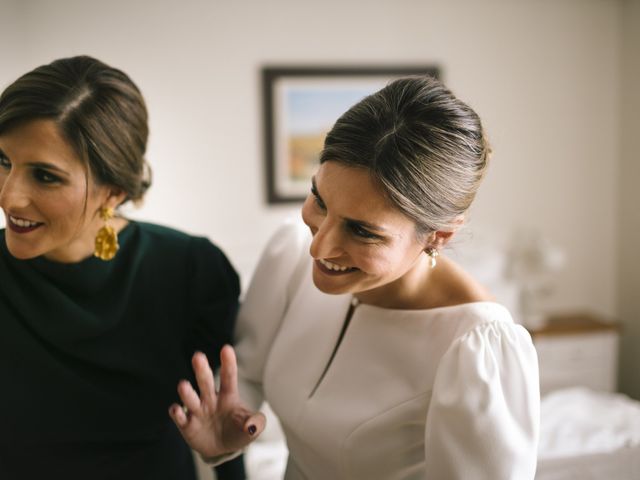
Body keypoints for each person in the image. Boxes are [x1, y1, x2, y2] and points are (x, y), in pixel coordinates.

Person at [169, 76, 540, 479]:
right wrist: (234, 422)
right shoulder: (290, 252)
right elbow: (250, 373)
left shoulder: (475, 349)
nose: (319, 248)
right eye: (320, 201)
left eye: (362, 230)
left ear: (439, 235)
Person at [0, 56, 245, 479]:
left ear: (112, 191)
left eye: (45, 176)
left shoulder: (191, 269)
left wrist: (221, 456)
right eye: (3, 162)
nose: (9, 197)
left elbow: (220, 419)